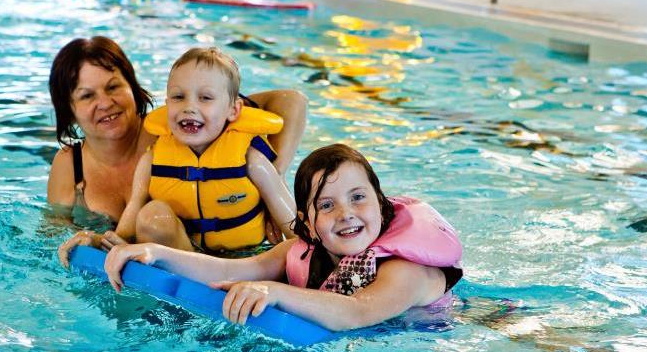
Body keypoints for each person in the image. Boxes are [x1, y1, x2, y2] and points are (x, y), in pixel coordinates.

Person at [97, 144, 464, 331]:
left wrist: (274, 292)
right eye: (327, 205)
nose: (345, 213)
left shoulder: (407, 271)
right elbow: (228, 270)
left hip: (441, 337)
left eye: (358, 197)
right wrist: (153, 253)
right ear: (307, 221)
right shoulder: (301, 251)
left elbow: (358, 311)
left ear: (381, 206)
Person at [51, 37, 307, 257]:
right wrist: (93, 241)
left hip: (241, 258)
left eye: (113, 86)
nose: (105, 102)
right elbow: (53, 237)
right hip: (168, 271)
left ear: (132, 86)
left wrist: (274, 178)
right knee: (154, 216)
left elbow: (292, 101)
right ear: (69, 109)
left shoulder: (183, 130)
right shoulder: (70, 165)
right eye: (87, 95)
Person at [110, 47, 296, 256]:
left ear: (233, 110)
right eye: (178, 96)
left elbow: (293, 228)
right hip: (182, 255)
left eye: (206, 98)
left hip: (244, 259)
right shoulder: (151, 160)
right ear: (167, 104)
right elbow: (132, 214)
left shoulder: (251, 160)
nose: (189, 107)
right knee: (151, 216)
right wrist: (115, 245)